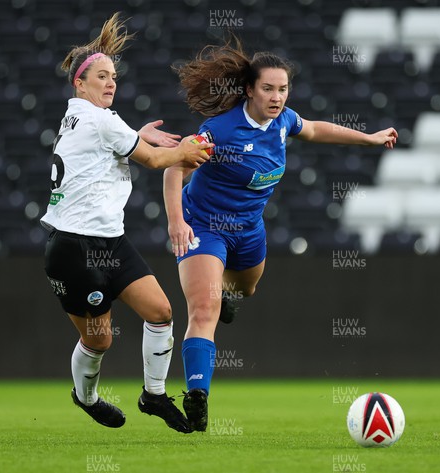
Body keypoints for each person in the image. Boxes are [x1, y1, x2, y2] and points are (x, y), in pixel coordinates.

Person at [163, 38, 398, 432]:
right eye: (268, 88)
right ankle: (197, 395)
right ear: (250, 90)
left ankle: (226, 294)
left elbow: (316, 129)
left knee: (245, 290)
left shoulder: (284, 120)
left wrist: (369, 138)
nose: (276, 97)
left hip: (249, 229)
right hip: (203, 225)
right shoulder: (218, 130)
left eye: (283, 89)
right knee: (204, 310)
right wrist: (176, 222)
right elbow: (173, 168)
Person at [40, 13, 212, 433]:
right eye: (101, 76)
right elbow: (154, 160)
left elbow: (102, 148)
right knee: (100, 340)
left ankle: (153, 395)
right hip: (75, 247)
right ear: (79, 83)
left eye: (113, 76)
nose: (110, 83)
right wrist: (187, 150)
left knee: (161, 311)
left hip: (110, 242)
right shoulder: (100, 119)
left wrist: (134, 133)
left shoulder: (81, 117)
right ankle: (86, 396)